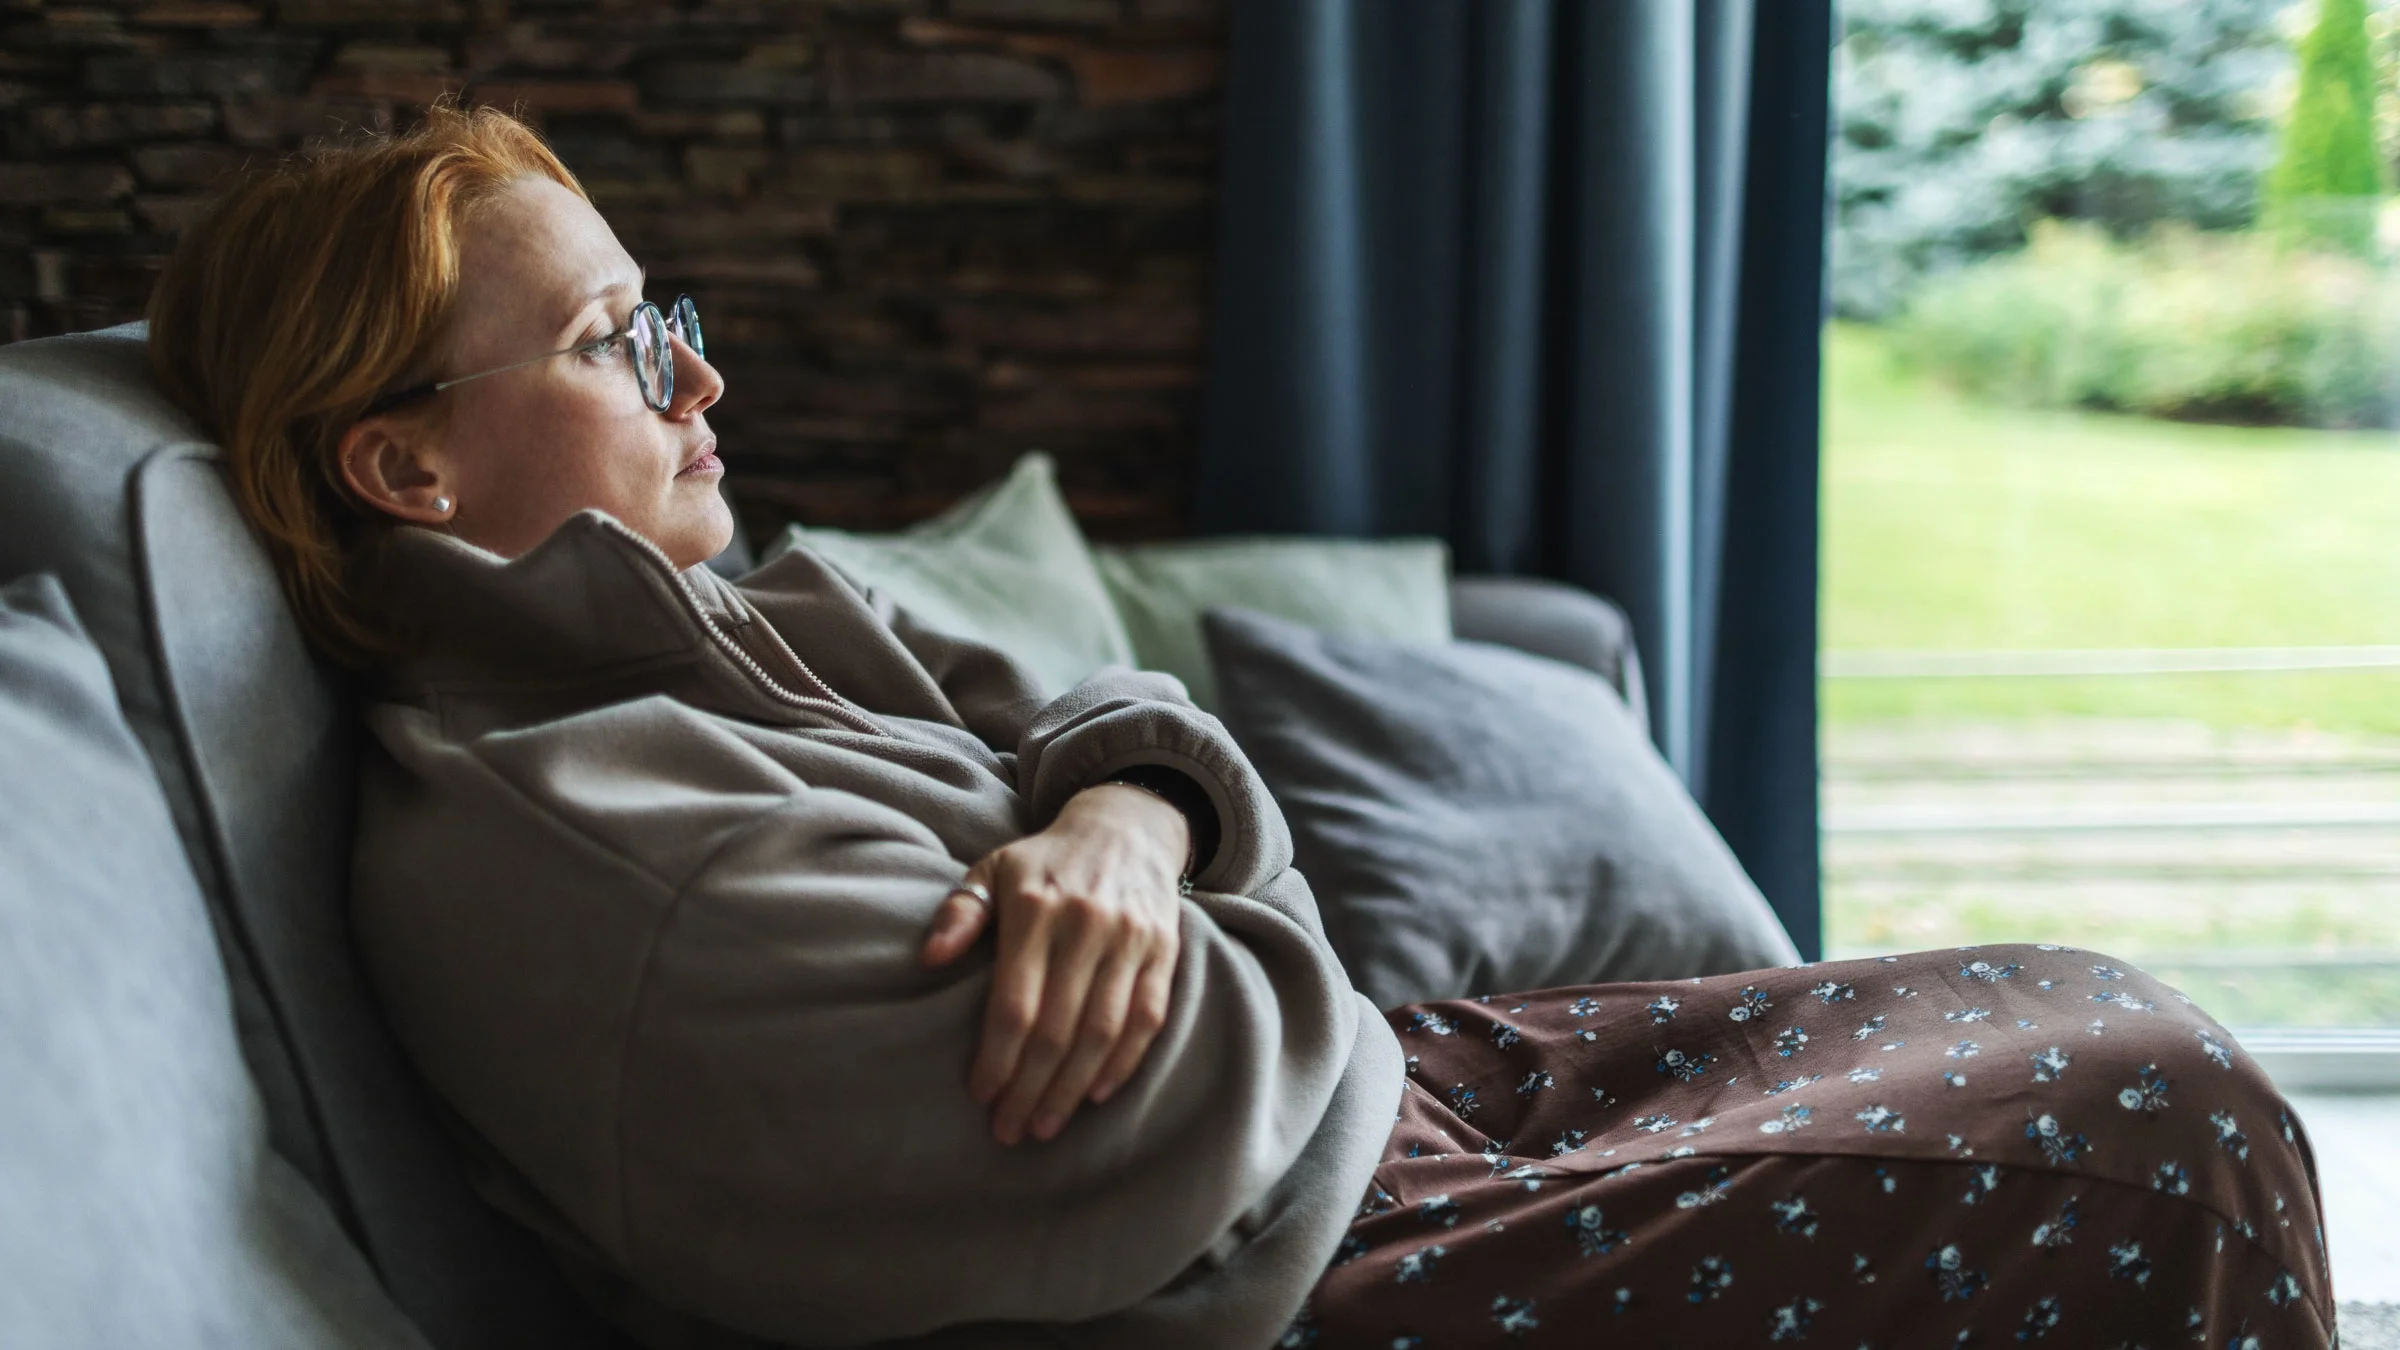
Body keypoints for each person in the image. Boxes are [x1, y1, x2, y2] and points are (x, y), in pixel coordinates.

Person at [145, 106, 2334, 1349]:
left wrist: (1117, 832)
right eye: (624, 343)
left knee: (2071, 998)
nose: (700, 384)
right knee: (2166, 1126)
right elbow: (1153, 1110)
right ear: (403, 469)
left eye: (671, 322)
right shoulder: (585, 853)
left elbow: (1126, 721)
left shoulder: (723, 620)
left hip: (1380, 1111)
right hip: (1324, 1269)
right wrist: (1197, 844)